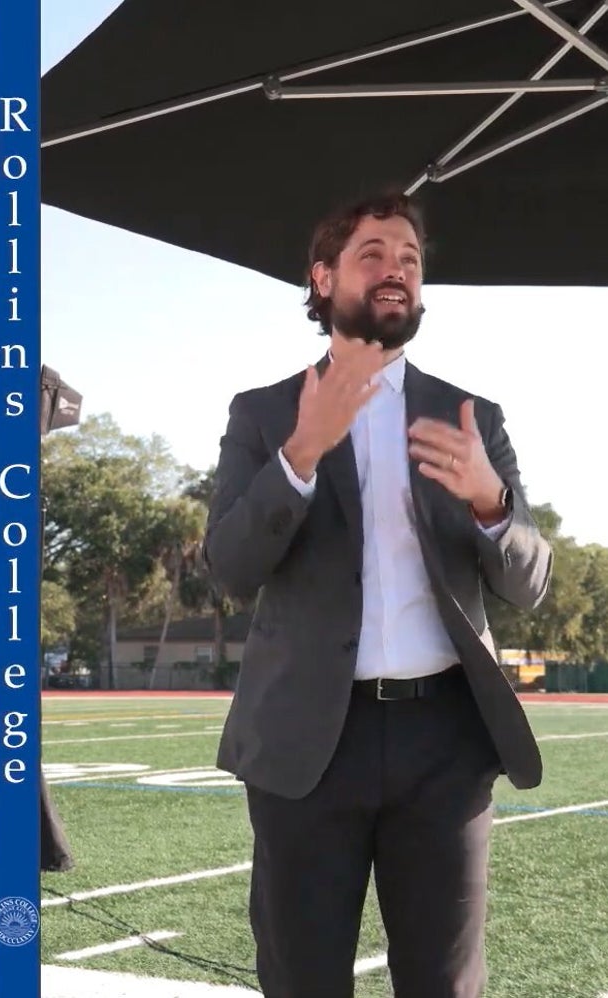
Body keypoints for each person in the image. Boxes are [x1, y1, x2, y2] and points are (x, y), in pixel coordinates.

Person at [203, 193, 551, 998]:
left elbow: (528, 584)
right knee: (303, 979)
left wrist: (492, 504)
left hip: (447, 745)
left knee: (443, 981)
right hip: (306, 748)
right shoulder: (263, 414)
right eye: (373, 253)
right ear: (322, 278)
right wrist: (301, 452)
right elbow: (230, 566)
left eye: (410, 258)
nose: (397, 268)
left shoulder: (472, 419)